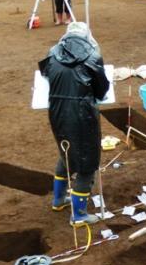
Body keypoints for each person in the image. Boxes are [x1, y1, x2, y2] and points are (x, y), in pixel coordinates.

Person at [39, 22, 109, 226]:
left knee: (65, 153)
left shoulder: (53, 53)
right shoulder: (92, 57)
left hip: (57, 112)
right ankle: (78, 215)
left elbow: (44, 72)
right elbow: (101, 90)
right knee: (87, 163)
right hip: (81, 115)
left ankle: (58, 200)